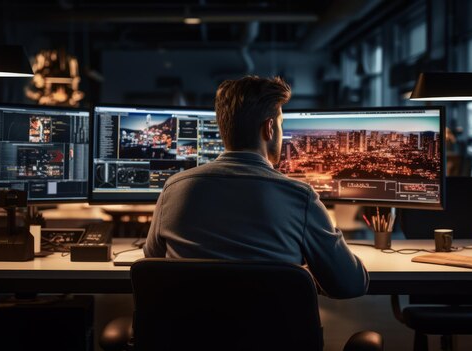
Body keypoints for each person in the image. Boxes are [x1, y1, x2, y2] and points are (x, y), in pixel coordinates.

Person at [144, 76, 368, 299]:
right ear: (269, 128)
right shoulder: (300, 197)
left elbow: (152, 262)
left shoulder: (174, 189)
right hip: (274, 335)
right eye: (281, 124)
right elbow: (350, 284)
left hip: (188, 333)